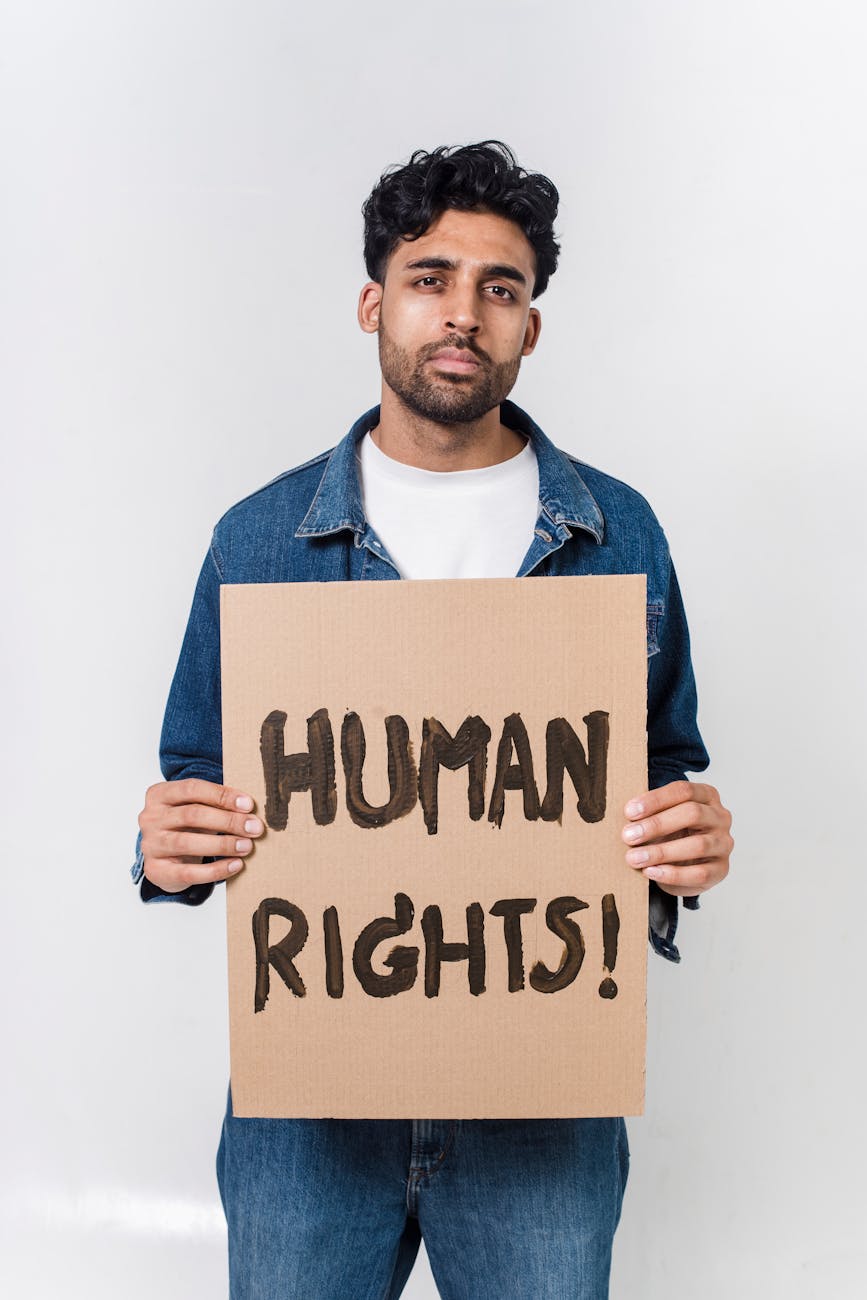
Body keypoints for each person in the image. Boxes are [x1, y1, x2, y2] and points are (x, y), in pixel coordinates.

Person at [134, 141, 733, 1300]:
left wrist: (688, 842)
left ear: (529, 328)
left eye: (500, 288)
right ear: (375, 304)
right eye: (430, 277)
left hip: (542, 1108)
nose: (463, 311)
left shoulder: (620, 534)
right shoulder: (257, 540)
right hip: (311, 1113)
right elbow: (196, 779)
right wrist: (167, 852)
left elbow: (663, 767)